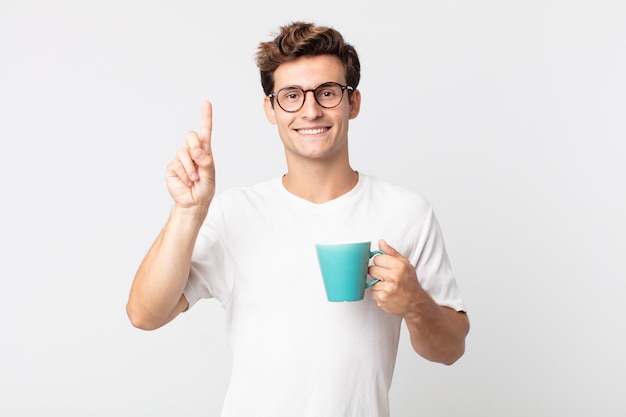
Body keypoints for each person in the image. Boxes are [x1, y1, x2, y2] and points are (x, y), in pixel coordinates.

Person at [126, 21, 469, 417]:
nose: (310, 110)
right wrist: (188, 211)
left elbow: (450, 351)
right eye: (291, 95)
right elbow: (144, 315)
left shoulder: (406, 211)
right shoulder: (235, 213)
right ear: (270, 109)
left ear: (352, 103)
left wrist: (416, 304)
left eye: (327, 93)